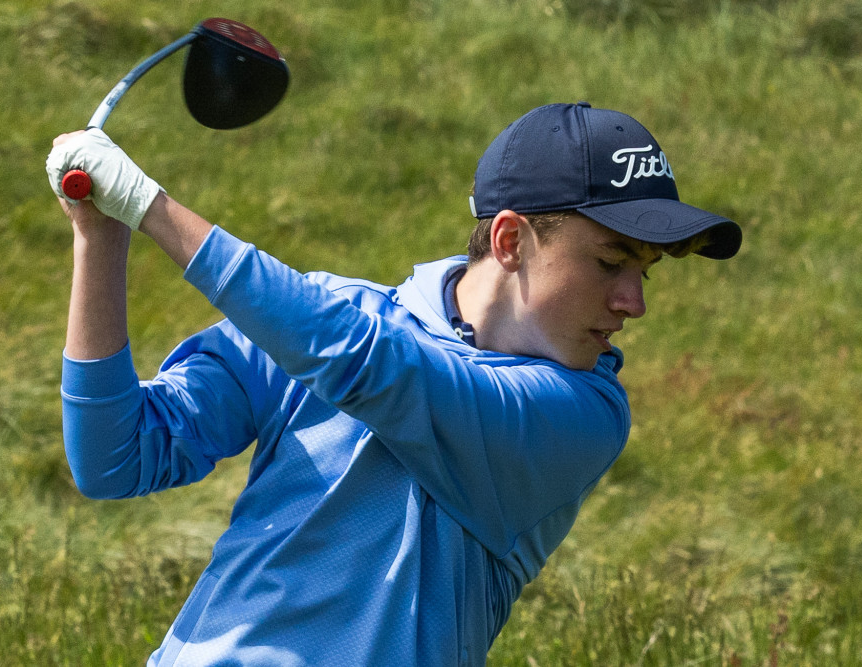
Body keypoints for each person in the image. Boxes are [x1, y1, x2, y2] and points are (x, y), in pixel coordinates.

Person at [46, 101, 741, 666]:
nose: (634, 302)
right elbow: (118, 456)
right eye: (611, 261)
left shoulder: (583, 416)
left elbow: (371, 366)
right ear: (509, 241)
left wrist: (149, 205)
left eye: (645, 271)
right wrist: (101, 235)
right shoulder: (325, 316)